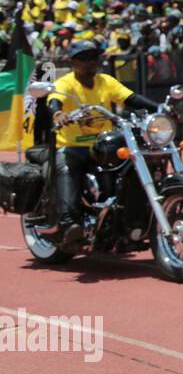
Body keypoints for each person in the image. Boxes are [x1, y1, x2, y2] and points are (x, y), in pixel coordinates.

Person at [47, 41, 163, 248]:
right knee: (68, 165)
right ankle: (68, 224)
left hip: (104, 145)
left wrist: (161, 108)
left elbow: (131, 98)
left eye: (95, 56)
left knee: (133, 162)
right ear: (73, 62)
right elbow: (55, 99)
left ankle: (131, 219)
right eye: (86, 57)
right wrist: (58, 113)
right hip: (73, 144)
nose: (92, 61)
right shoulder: (66, 83)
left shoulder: (105, 80)